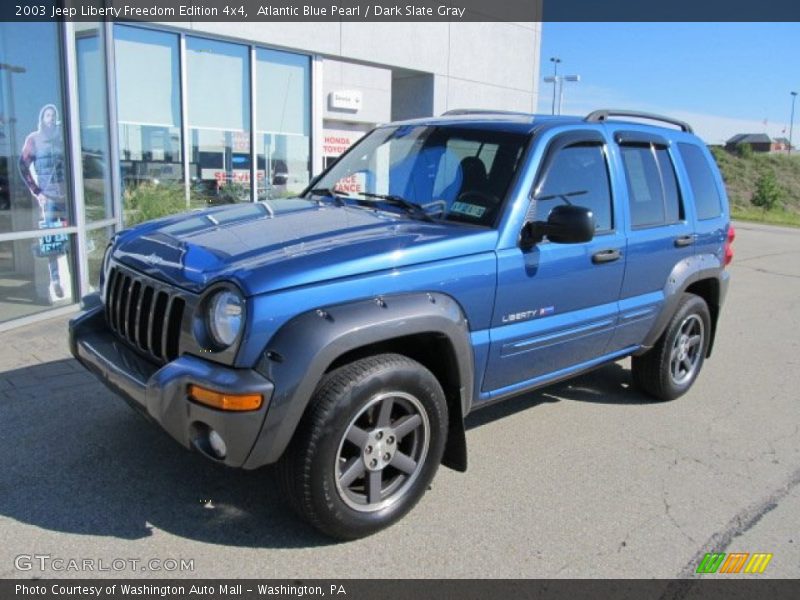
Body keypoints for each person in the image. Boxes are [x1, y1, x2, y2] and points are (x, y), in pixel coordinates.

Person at [18, 104, 67, 298]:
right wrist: (37, 191)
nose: (51, 118)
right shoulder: (34, 140)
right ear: (42, 118)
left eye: (54, 115)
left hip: (66, 197)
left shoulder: (62, 139)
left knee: (70, 237)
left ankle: (74, 275)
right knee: (52, 240)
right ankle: (55, 280)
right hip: (49, 197)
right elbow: (23, 166)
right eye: (48, 115)